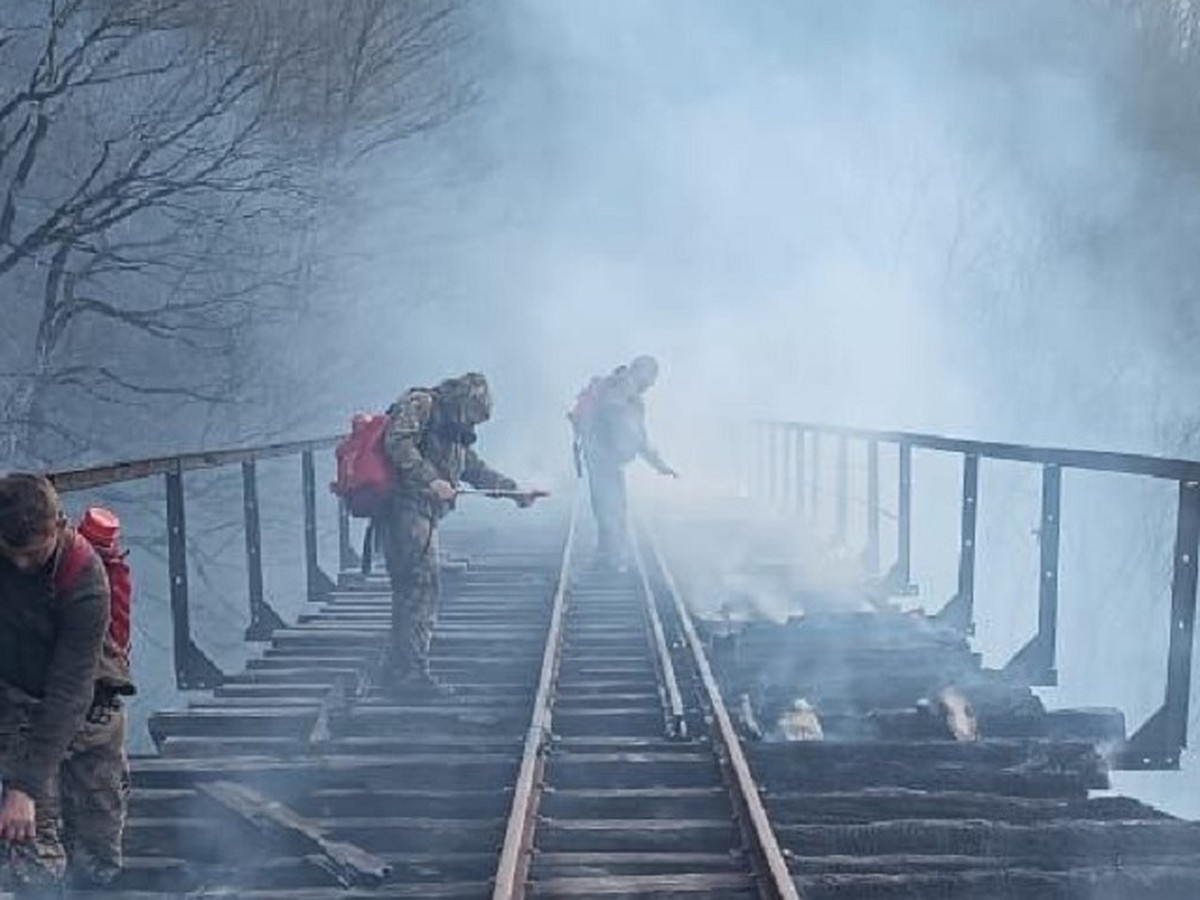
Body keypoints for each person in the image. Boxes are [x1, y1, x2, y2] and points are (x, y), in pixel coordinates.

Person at [0, 474, 132, 892]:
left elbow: (69, 689)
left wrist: (25, 785)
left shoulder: (84, 573)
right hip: (15, 702)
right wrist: (25, 789)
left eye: (34, 554)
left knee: (97, 853)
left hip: (89, 702)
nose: (22, 565)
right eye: (12, 553)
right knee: (32, 851)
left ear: (58, 526)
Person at [380, 373, 543, 694]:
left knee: (413, 589)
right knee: (421, 587)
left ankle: (398, 668)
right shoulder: (423, 404)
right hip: (405, 508)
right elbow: (396, 441)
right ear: (465, 401)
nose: (473, 425)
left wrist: (514, 492)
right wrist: (430, 480)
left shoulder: (453, 429)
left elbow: (473, 469)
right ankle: (410, 674)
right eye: (473, 417)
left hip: (421, 512)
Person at [569, 355, 677, 569]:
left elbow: (638, 436)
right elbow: (632, 430)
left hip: (598, 454)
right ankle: (612, 558)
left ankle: (608, 554)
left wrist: (658, 464)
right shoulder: (625, 387)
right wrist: (627, 441)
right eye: (652, 378)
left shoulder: (620, 387)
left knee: (607, 505)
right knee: (613, 506)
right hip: (604, 456)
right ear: (643, 372)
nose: (651, 385)